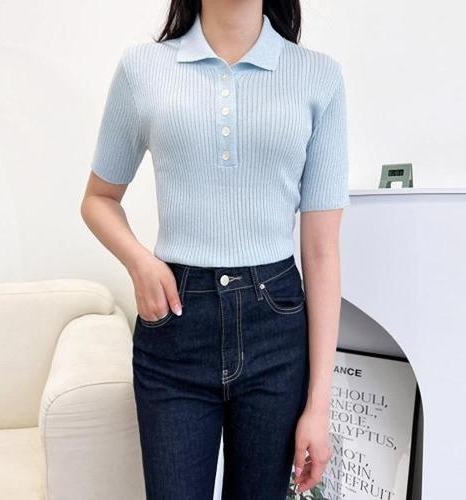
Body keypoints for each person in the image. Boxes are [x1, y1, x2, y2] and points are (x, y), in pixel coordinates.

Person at [81, 1, 350, 498]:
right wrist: (139, 261)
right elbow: (99, 199)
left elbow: (321, 252)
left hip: (277, 330)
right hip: (175, 327)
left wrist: (319, 406)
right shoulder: (143, 68)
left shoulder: (318, 77)